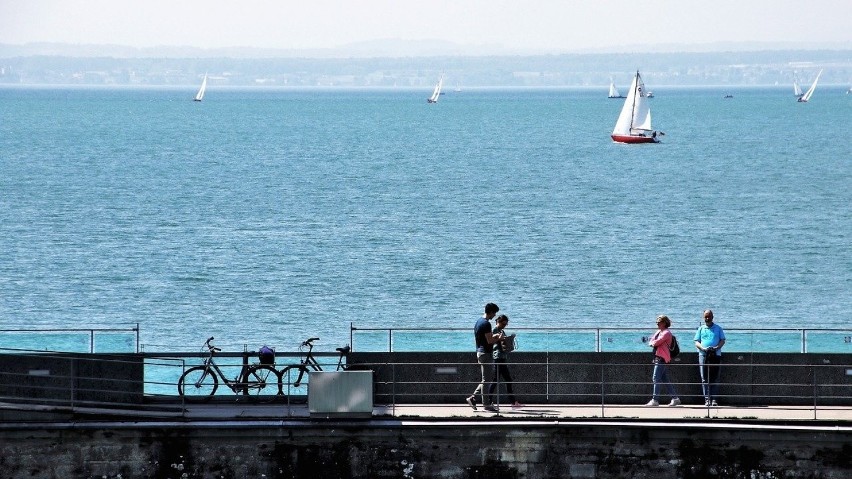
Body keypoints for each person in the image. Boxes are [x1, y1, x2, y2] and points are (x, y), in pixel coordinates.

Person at [466, 302, 504, 412]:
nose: (494, 316)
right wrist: (499, 339)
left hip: (479, 351)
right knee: (486, 380)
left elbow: (484, 338)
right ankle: (486, 405)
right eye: (494, 313)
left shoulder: (478, 322)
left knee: (485, 379)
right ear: (491, 312)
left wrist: (494, 336)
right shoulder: (487, 324)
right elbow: (490, 341)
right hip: (486, 354)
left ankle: (472, 398)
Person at [645, 315, 681, 407]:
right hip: (657, 357)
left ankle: (655, 400)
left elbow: (656, 342)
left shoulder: (667, 333)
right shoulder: (658, 332)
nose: (657, 323)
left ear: (665, 323)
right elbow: (652, 340)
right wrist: (652, 342)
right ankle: (675, 398)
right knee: (665, 379)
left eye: (659, 322)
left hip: (663, 358)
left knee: (656, 378)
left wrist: (652, 343)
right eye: (657, 322)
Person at [488, 314, 523, 409]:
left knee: (504, 380)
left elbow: (503, 342)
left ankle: (512, 402)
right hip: (498, 357)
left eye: (506, 324)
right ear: (498, 322)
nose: (504, 325)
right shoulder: (495, 330)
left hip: (502, 357)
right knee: (497, 380)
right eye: (503, 323)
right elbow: (494, 343)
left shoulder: (501, 331)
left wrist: (510, 339)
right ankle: (489, 401)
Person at [694, 309, 726, 406]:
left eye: (709, 316)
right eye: (705, 317)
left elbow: (723, 340)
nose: (707, 318)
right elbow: (696, 342)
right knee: (704, 378)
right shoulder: (701, 329)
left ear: (712, 317)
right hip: (703, 355)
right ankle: (707, 399)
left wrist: (716, 347)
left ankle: (714, 399)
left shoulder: (718, 328)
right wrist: (703, 348)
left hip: (715, 355)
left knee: (715, 378)